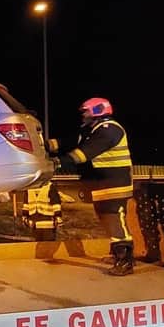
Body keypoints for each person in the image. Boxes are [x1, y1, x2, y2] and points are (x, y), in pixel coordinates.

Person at [52, 98, 135, 276]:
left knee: (114, 220)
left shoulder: (109, 130)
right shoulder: (92, 130)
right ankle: (117, 254)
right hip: (103, 183)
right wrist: (45, 144)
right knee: (106, 219)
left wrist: (58, 162)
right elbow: (71, 141)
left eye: (85, 111)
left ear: (97, 110)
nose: (82, 115)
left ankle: (125, 261)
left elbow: (84, 153)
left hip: (115, 184)